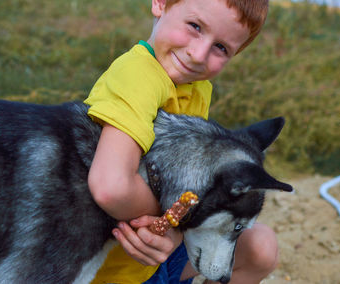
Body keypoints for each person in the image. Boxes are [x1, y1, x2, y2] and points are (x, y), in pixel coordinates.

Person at [84, 0, 277, 283]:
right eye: (195, 27)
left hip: (161, 252)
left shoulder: (198, 87)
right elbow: (111, 187)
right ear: (160, 3)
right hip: (111, 269)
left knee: (262, 247)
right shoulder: (137, 76)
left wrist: (175, 232)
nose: (198, 55)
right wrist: (179, 218)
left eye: (221, 48)